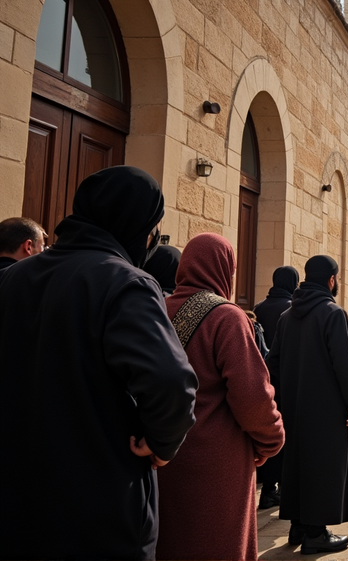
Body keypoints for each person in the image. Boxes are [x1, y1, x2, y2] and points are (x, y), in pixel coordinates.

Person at [0, 166, 198, 559]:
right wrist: (161, 444)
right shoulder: (127, 282)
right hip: (99, 499)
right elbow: (171, 382)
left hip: (17, 492)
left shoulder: (12, 279)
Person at [157, 233, 285, 560]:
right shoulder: (227, 317)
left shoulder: (157, 307)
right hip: (217, 462)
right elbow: (253, 395)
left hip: (163, 454)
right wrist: (271, 440)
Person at [266, 255, 348, 554]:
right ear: (331, 280)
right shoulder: (333, 313)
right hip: (326, 406)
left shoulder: (287, 315)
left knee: (296, 463)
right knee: (323, 466)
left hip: (293, 404)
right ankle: (316, 533)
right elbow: (345, 365)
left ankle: (298, 525)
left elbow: (273, 363)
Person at [252, 265, 299, 508]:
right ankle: (279, 486)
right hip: (286, 379)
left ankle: (268, 487)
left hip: (262, 378)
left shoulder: (260, 307)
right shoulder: (292, 309)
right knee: (286, 433)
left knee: (269, 429)